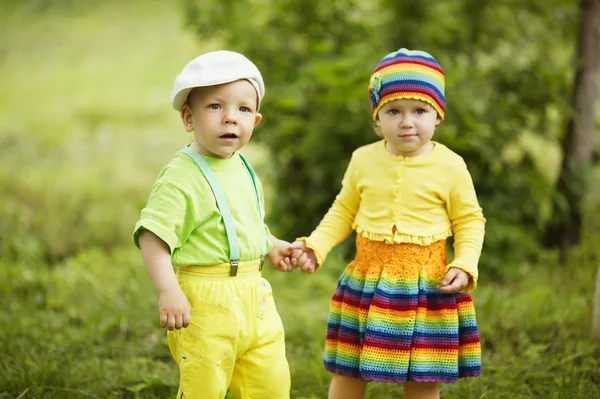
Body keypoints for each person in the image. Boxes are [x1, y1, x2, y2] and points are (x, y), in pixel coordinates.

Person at [290, 48, 485, 399]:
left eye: (419, 111)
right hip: (367, 278)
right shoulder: (363, 160)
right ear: (377, 118)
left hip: (426, 284)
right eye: (393, 111)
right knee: (349, 368)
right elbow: (343, 211)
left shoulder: (451, 166)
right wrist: (315, 245)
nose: (407, 122)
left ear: (437, 115)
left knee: (422, 376)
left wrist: (465, 262)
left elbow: (470, 219)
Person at [133, 50, 293, 399]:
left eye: (243, 109)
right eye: (216, 107)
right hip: (206, 303)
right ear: (188, 118)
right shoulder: (181, 177)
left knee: (270, 384)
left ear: (256, 121)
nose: (230, 119)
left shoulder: (243, 167)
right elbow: (153, 237)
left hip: (255, 297)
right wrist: (168, 290)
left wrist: (271, 244)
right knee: (204, 387)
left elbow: (241, 224)